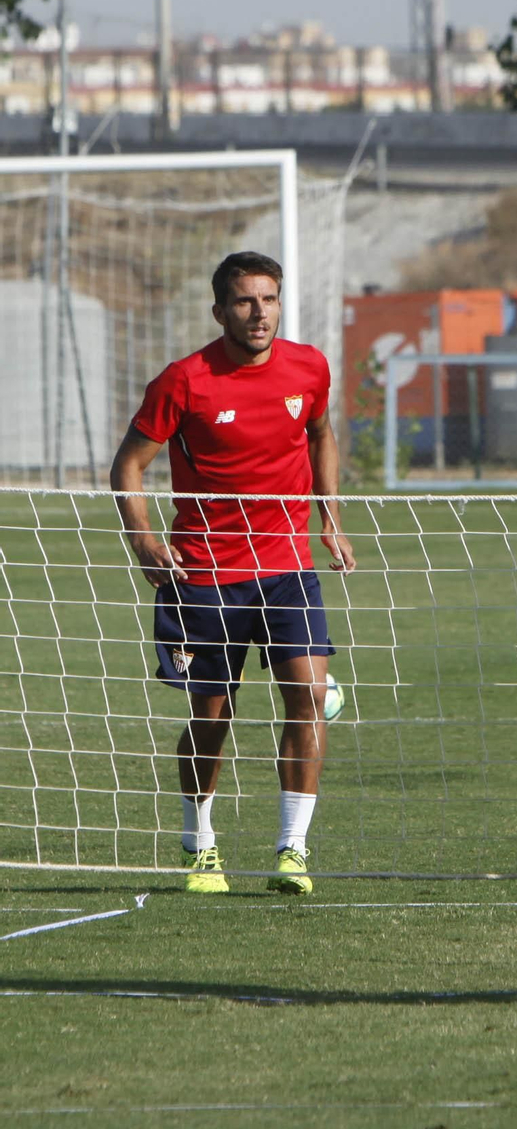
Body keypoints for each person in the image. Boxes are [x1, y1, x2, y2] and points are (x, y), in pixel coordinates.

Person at [109, 251, 355, 897]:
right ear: (220, 310)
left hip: (288, 568)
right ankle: (200, 846)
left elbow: (322, 433)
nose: (259, 312)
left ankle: (292, 851)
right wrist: (144, 542)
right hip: (208, 576)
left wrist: (330, 518)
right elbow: (127, 466)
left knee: (306, 699)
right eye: (245, 301)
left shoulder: (310, 367)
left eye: (269, 299)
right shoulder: (184, 381)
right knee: (212, 717)